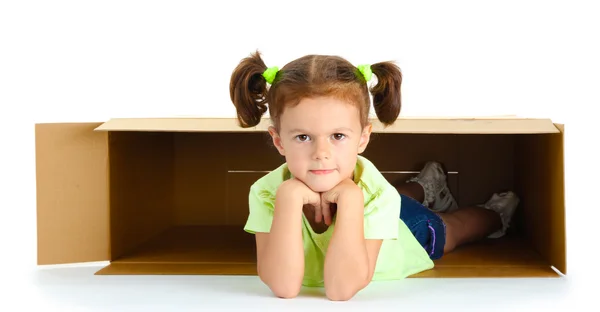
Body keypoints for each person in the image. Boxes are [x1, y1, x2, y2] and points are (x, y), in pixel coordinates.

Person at [228, 51, 520, 301]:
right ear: (279, 141)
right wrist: (289, 199)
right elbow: (284, 287)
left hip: (406, 231)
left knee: (450, 230)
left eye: (338, 136)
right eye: (303, 136)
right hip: (381, 203)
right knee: (389, 197)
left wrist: (353, 199)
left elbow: (341, 290)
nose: (321, 153)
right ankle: (425, 187)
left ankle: (494, 214)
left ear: (363, 137)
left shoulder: (376, 196)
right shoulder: (267, 192)